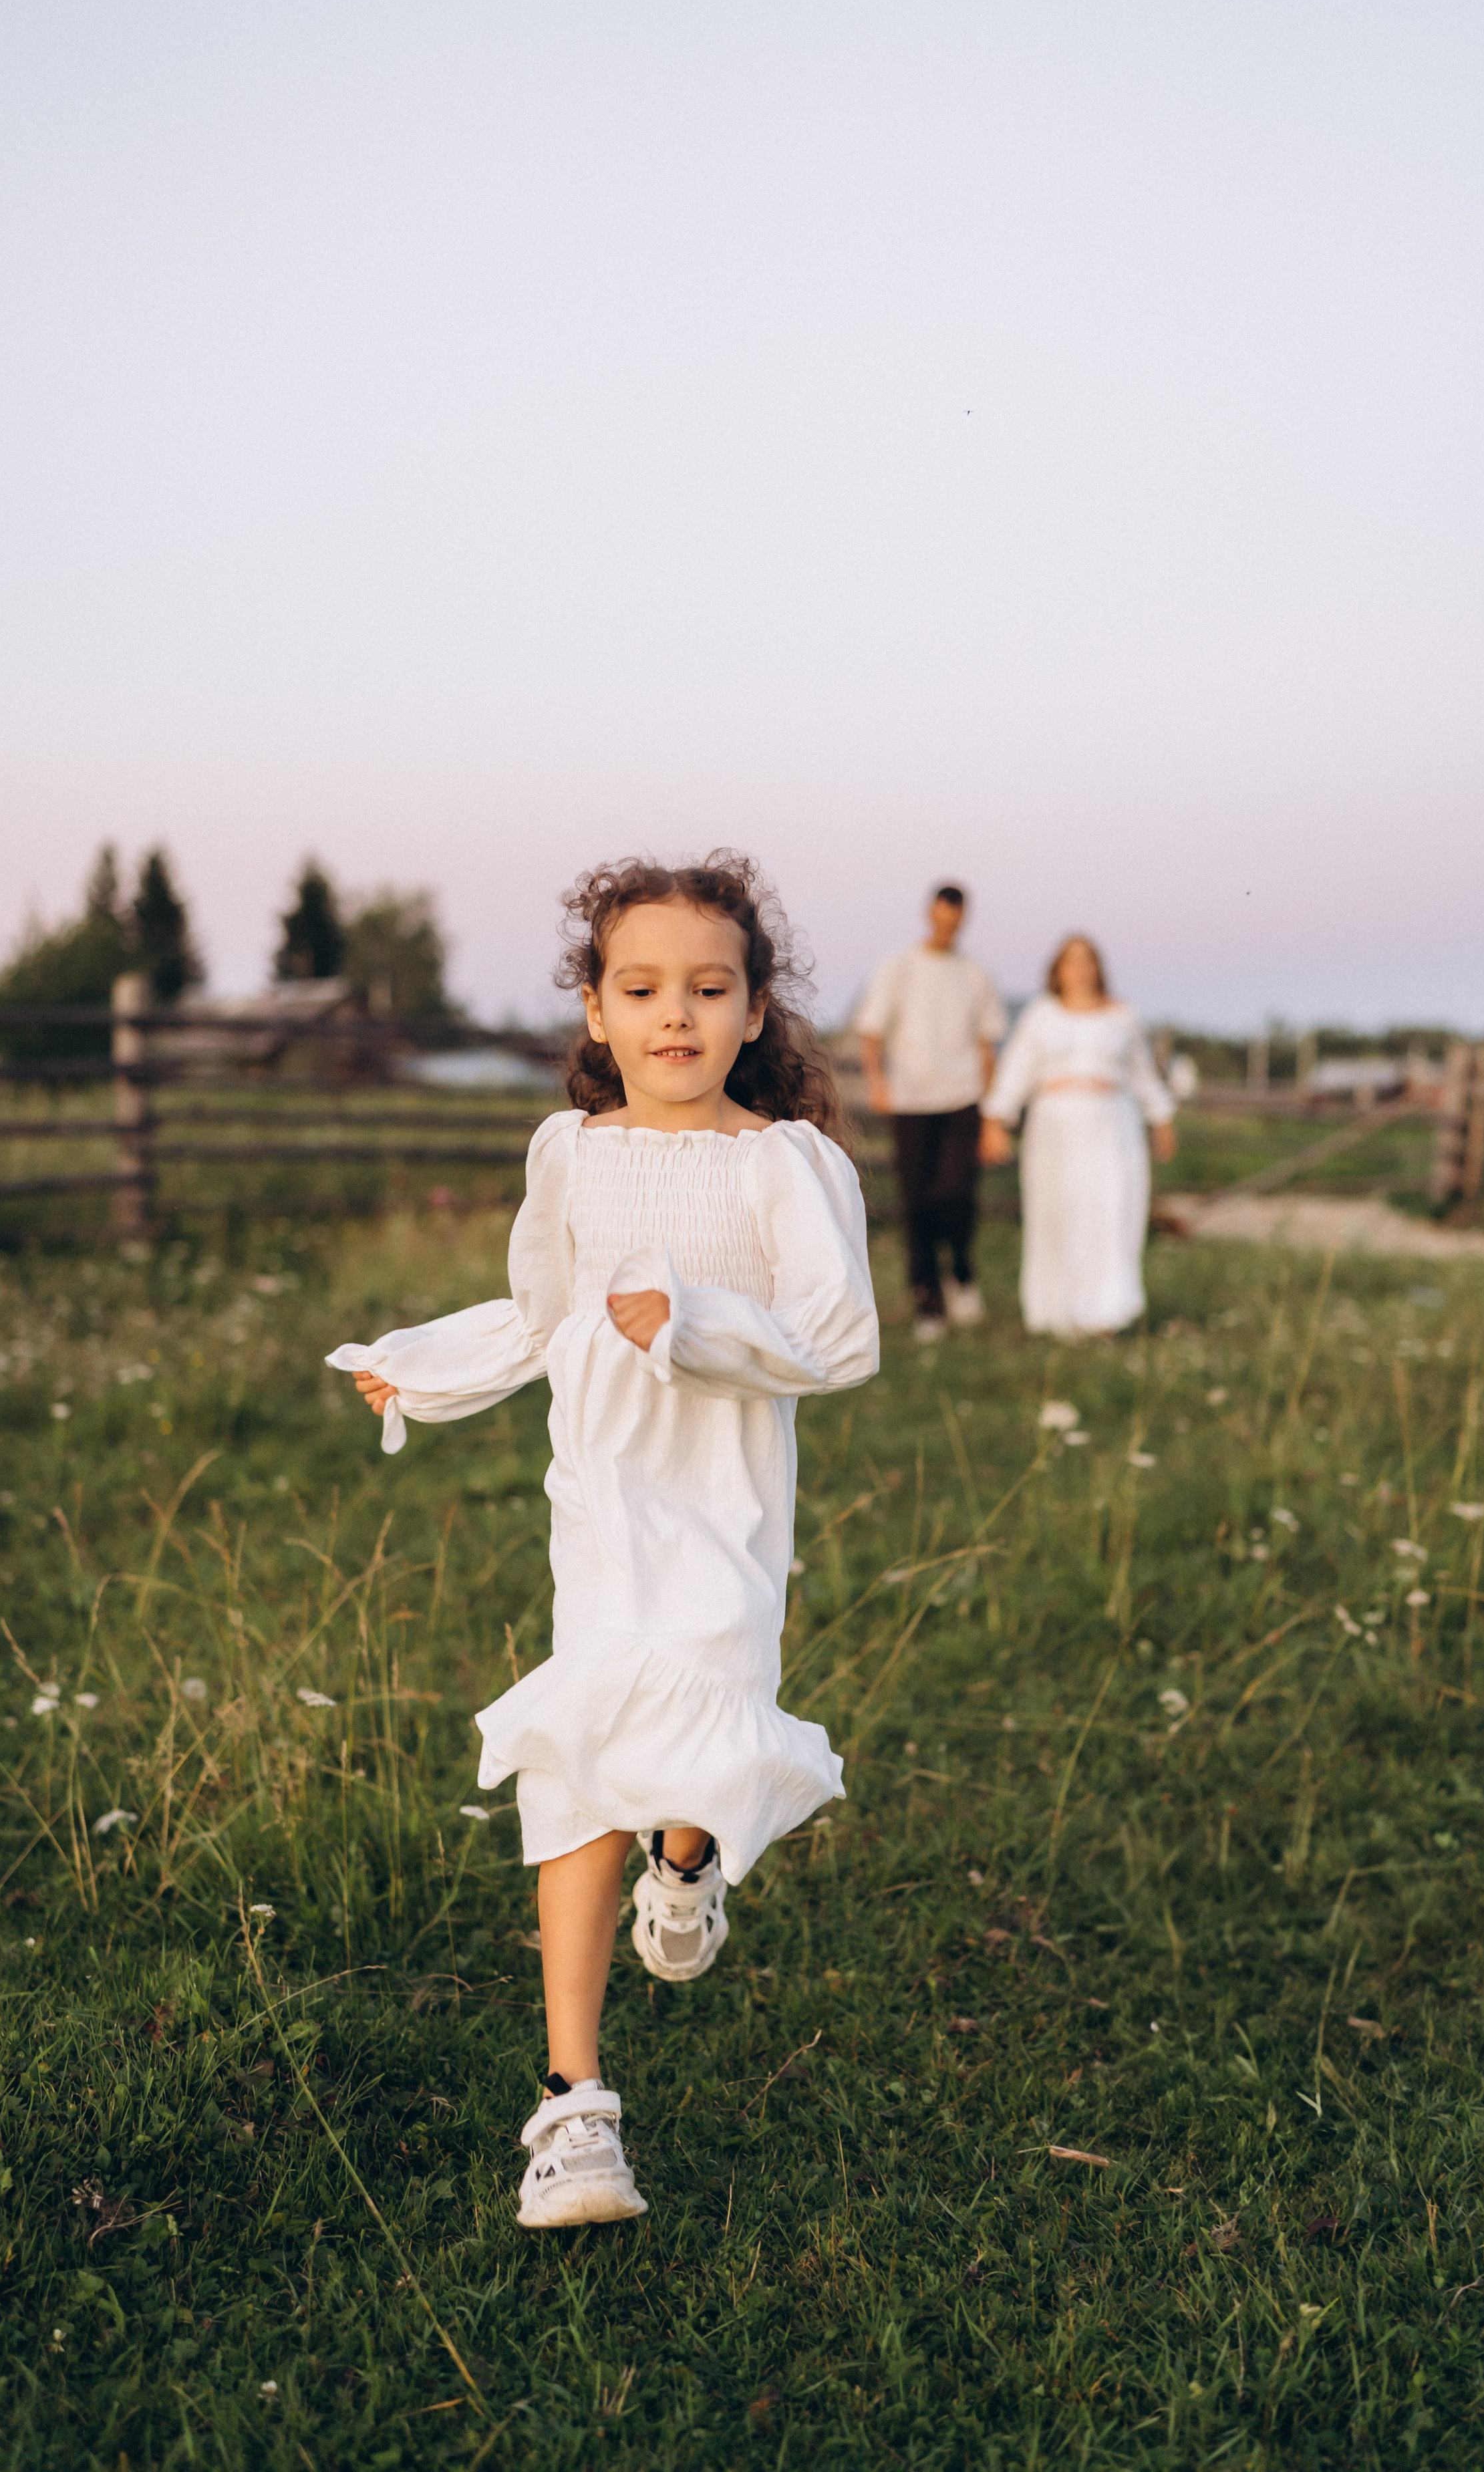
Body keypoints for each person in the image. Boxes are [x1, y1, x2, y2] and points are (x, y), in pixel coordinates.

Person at [325, 855, 878, 2229]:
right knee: (578, 1755)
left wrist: (692, 1323)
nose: (673, 1014)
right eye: (640, 989)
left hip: (724, 1502)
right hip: (604, 1499)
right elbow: (543, 1317)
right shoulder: (567, 1153)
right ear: (594, 1010)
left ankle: (685, 1867)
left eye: (707, 988)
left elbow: (839, 1340)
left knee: (707, 1725)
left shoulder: (785, 1164)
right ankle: (573, 2108)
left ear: (755, 1011)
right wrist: (426, 1371)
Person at [980, 934, 1176, 1337]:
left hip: (1112, 1128)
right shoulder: (1041, 1015)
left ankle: (1106, 1313)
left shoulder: (1123, 1016)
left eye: (1088, 960)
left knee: (1109, 1213)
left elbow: (1142, 1074)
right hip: (1056, 1130)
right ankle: (1058, 1313)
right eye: (1071, 961)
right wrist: (996, 1120)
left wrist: (1161, 1119)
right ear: (1058, 970)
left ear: (1099, 968)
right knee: (1058, 1213)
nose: (1081, 968)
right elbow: (1016, 1069)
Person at [855, 884, 1009, 1340]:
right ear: (929, 914)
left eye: (955, 921)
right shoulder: (898, 968)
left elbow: (987, 1045)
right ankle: (927, 1299)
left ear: (963, 920)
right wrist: (878, 1084)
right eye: (942, 919)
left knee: (957, 1192)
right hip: (910, 1101)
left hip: (963, 1098)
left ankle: (961, 1271)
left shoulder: (975, 973)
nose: (947, 927)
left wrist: (992, 1112)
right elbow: (871, 1031)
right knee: (917, 1201)